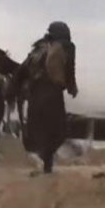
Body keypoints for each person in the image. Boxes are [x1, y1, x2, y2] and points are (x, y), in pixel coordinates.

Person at [8, 22, 78, 175]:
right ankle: (46, 163)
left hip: (34, 95)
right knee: (58, 131)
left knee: (40, 131)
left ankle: (45, 164)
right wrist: (72, 87)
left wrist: (11, 92)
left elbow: (21, 72)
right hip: (52, 93)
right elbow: (69, 68)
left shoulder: (37, 50)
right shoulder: (66, 47)